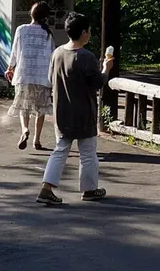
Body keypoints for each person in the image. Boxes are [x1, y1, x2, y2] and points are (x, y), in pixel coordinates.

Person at [37, 12, 117, 206]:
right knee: (88, 152)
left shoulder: (57, 53)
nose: (89, 34)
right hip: (84, 112)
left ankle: (46, 188)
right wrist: (106, 68)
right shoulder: (86, 57)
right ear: (83, 33)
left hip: (62, 111)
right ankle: (89, 189)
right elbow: (98, 82)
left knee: (60, 149)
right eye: (88, 31)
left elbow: (49, 79)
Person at [5, 0, 56, 151]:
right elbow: (53, 56)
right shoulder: (48, 34)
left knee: (23, 106)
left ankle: (24, 129)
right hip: (42, 76)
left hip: (24, 74)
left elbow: (15, 52)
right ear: (46, 16)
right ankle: (37, 140)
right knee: (41, 109)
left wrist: (10, 68)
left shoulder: (21, 30)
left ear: (31, 13)